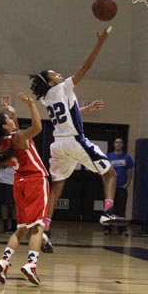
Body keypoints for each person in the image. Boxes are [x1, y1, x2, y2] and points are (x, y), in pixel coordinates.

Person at [28, 25, 126, 250]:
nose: (58, 74)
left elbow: (67, 115)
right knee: (110, 174)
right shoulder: (63, 87)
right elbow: (86, 67)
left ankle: (45, 230)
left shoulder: (46, 98)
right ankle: (108, 212)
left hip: (58, 144)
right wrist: (100, 42)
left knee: (56, 188)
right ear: (51, 82)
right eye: (54, 74)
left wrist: (86, 109)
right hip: (74, 141)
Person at [0, 93, 49, 286]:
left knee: (21, 228)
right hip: (35, 180)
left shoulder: (4, 141)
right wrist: (31, 104)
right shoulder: (18, 137)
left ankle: (4, 261)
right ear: (5, 126)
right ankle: (31, 264)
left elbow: (17, 134)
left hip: (19, 183)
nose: (12, 121)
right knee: (38, 226)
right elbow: (37, 128)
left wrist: (13, 114)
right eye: (9, 120)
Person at [104, 137, 134, 236]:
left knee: (121, 209)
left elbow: (129, 172)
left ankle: (122, 229)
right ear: (114, 144)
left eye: (120, 142)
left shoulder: (127, 157)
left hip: (121, 187)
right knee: (109, 208)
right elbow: (103, 172)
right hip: (110, 188)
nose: (118, 144)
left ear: (123, 145)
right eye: (116, 142)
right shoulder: (108, 157)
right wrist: (105, 183)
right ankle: (107, 228)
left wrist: (127, 183)